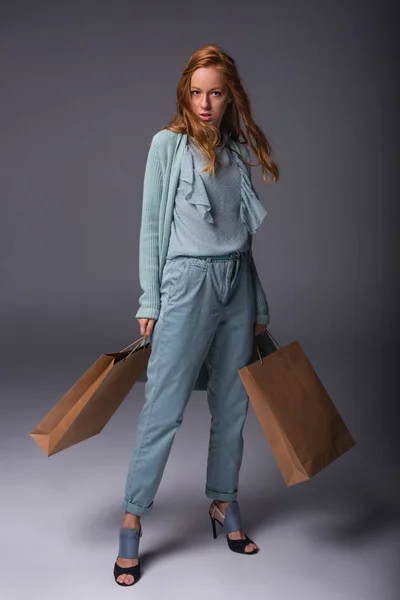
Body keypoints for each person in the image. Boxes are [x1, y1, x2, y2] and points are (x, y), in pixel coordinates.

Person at [113, 43, 280, 586]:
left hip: (236, 283)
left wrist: (257, 301)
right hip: (186, 283)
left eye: (215, 93)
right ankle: (133, 516)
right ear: (185, 92)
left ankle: (223, 502)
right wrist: (149, 300)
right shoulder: (167, 146)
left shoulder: (232, 149)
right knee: (164, 404)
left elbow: (242, 239)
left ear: (230, 97)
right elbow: (151, 229)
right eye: (196, 91)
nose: (204, 103)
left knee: (233, 404)